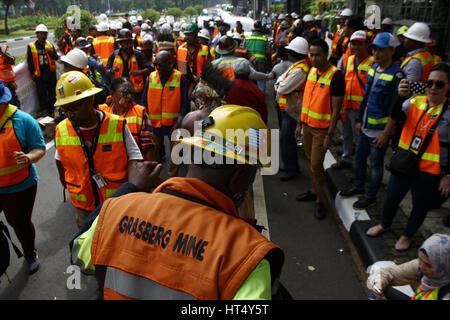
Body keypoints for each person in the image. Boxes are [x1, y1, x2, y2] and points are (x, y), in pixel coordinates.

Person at [70, 105, 284, 300]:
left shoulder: (115, 210)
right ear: (241, 176)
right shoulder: (246, 255)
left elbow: (79, 253)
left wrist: (130, 188)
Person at [366, 63, 450, 251]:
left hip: (429, 170)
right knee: (391, 198)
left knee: (420, 206)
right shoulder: (414, 101)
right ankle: (384, 224)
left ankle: (407, 236)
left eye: (439, 84)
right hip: (404, 163)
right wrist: (400, 96)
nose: (433, 88)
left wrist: (448, 176)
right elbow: (395, 115)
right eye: (429, 83)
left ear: (448, 87)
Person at [54, 71, 143, 229]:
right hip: (84, 209)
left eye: (73, 107)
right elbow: (60, 163)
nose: (69, 114)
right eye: (64, 109)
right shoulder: (61, 129)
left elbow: (134, 158)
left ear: (89, 101)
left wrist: (132, 192)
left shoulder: (117, 125)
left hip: (116, 205)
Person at [340, 33, 404, 210]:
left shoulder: (397, 75)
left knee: (375, 166)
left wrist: (386, 133)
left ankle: (370, 196)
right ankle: (358, 186)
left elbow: (395, 108)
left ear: (391, 50)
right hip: (366, 126)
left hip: (380, 131)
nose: (376, 53)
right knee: (360, 160)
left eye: (381, 49)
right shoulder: (374, 68)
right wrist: (360, 120)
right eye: (374, 49)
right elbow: (366, 98)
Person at [295, 39, 345, 219]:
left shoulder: (336, 76)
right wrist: (300, 123)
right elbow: (305, 101)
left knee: (316, 165)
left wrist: (330, 135)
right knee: (311, 162)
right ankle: (314, 191)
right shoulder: (311, 71)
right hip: (307, 126)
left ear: (326, 55)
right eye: (311, 55)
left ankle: (320, 200)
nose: (314, 59)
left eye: (318, 55)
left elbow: (336, 110)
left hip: (322, 130)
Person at [0, 80, 46, 273]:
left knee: (19, 222)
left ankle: (29, 252)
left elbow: (40, 148)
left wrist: (28, 158)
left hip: (20, 186)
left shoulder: (23, 121)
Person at [141, 51, 189, 177]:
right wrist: (146, 121)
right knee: (153, 152)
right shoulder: (151, 77)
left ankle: (172, 178)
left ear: (170, 63)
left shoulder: (180, 78)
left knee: (176, 153)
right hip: (154, 124)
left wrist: (179, 121)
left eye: (161, 65)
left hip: (173, 124)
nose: (157, 67)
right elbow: (144, 101)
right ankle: (154, 177)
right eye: (156, 64)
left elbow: (185, 103)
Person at [333, 31, 374, 169]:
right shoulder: (349, 60)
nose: (356, 47)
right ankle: (346, 158)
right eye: (353, 43)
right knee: (346, 135)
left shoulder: (372, 63)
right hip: (346, 105)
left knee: (360, 139)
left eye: (359, 44)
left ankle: (359, 165)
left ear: (367, 45)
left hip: (360, 109)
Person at [368, 234, 450, 300]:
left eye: (428, 265)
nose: (421, 266)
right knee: (378, 290)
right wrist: (379, 285)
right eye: (420, 259)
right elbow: (389, 273)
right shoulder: (423, 267)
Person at [275, 37, 310, 181]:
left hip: (292, 110)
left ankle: (291, 168)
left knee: (287, 139)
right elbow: (280, 82)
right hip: (288, 109)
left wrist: (279, 85)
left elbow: (281, 86)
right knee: (286, 139)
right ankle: (290, 165)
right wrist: (279, 84)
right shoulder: (297, 66)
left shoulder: (300, 69)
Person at [99, 77, 155, 161]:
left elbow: (148, 148)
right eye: (125, 92)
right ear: (112, 93)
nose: (129, 96)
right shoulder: (101, 112)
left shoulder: (140, 113)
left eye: (131, 93)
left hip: (134, 167)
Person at [105, 28, 152, 98]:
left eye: (131, 43)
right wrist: (112, 70)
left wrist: (138, 72)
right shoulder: (114, 55)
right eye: (126, 43)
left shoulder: (138, 55)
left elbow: (149, 69)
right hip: (119, 91)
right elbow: (106, 71)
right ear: (120, 43)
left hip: (135, 93)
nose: (129, 45)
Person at [27, 24, 58, 117]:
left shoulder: (50, 45)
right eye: (41, 34)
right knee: (42, 93)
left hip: (50, 73)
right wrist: (32, 73)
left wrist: (51, 52)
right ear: (37, 34)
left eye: (45, 34)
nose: (43, 36)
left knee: (52, 92)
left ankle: (52, 109)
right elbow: (30, 61)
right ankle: (45, 111)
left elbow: (56, 57)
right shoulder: (32, 46)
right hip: (39, 74)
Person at [225, 59, 268, 123]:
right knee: (274, 133)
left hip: (229, 125)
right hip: (251, 125)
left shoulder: (225, 87)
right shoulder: (256, 90)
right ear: (248, 73)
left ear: (234, 72)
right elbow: (263, 114)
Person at [176, 22, 211, 92]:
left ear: (196, 35)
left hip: (201, 85)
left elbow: (209, 68)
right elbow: (180, 68)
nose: (187, 37)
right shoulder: (181, 49)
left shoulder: (205, 49)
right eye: (186, 34)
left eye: (190, 35)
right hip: (184, 84)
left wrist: (200, 76)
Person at [246, 21, 270, 92]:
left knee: (250, 81)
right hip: (261, 63)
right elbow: (268, 53)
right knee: (261, 80)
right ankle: (261, 97)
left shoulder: (247, 38)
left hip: (249, 62)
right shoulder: (265, 39)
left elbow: (244, 50)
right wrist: (269, 64)